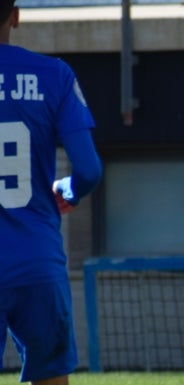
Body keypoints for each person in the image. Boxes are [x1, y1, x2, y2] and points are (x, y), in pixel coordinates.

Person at [0, 1, 103, 384]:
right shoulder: (53, 75)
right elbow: (89, 169)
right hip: (36, 260)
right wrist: (70, 191)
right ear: (15, 15)